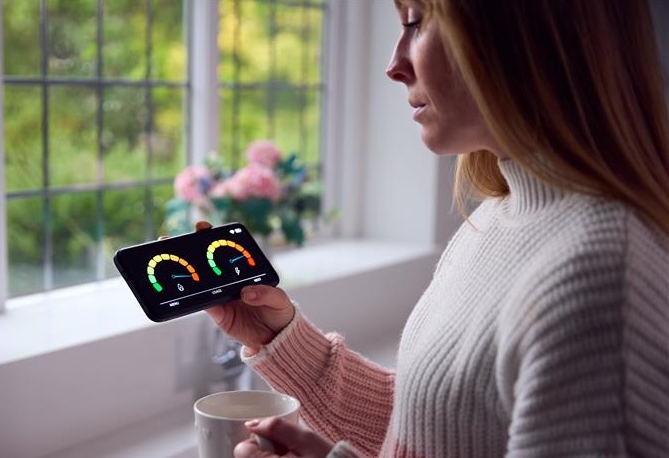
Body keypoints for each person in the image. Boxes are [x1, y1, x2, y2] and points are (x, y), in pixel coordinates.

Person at [198, 0, 669, 456]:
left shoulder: (598, 278)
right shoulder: (498, 219)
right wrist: (282, 342)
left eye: (417, 22)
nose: (394, 65)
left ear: (522, 36)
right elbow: (441, 429)